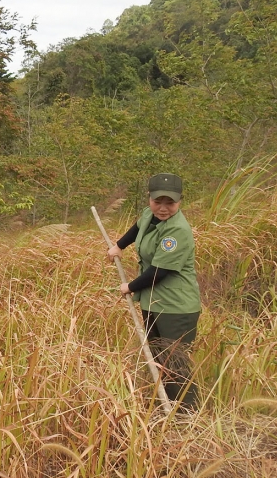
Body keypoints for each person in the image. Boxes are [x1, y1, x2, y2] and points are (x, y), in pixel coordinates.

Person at [106, 173, 201, 410]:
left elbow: (160, 271)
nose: (163, 208)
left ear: (180, 201)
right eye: (158, 201)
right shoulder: (150, 215)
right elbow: (137, 228)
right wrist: (119, 245)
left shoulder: (178, 230)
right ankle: (168, 409)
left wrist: (130, 286)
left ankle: (188, 416)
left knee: (175, 366)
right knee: (159, 361)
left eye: (170, 203)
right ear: (149, 198)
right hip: (154, 302)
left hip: (176, 308)